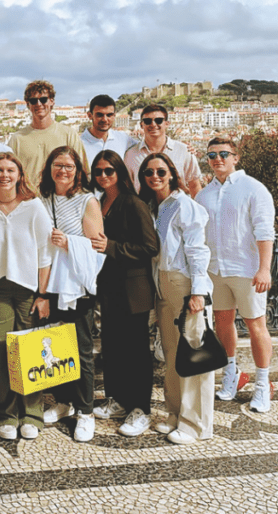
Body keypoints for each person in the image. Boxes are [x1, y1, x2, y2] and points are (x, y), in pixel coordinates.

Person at [0, 152, 53, 441]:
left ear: (19, 175)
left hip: (28, 287)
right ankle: (5, 413)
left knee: (29, 350)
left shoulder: (33, 206)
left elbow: (46, 252)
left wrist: (43, 293)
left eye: (10, 170)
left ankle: (31, 413)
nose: (5, 175)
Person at [195, 136, 276, 412]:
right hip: (215, 271)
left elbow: (265, 232)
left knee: (256, 326)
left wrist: (264, 268)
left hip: (247, 270)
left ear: (236, 157)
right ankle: (232, 373)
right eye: (212, 155)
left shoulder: (254, 188)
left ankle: (263, 384)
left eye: (223, 154)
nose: (217, 159)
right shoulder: (203, 195)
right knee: (222, 323)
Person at [138, 153, 214, 445]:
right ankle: (175, 414)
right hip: (163, 285)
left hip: (184, 284)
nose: (154, 177)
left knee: (194, 356)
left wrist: (198, 291)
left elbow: (197, 250)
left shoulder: (185, 206)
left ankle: (196, 425)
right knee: (171, 355)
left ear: (171, 172)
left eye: (160, 171)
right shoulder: (155, 207)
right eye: (148, 173)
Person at [88, 150, 160, 438]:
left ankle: (140, 408)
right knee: (113, 346)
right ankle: (117, 400)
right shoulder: (101, 202)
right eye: (98, 172)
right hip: (110, 286)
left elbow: (149, 247)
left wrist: (112, 247)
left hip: (133, 288)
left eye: (109, 171)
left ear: (119, 172)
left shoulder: (133, 203)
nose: (103, 176)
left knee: (136, 351)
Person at [36, 146, 104, 442]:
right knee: (57, 346)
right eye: (57, 164)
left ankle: (85, 411)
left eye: (69, 166)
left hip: (76, 285)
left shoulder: (87, 201)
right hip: (49, 282)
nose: (63, 170)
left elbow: (97, 246)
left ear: (78, 170)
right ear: (49, 168)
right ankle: (64, 403)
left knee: (81, 350)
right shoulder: (42, 199)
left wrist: (68, 243)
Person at [7, 80, 86, 188]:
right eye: (33, 101)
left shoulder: (69, 135)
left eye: (43, 99)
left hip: (62, 200)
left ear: (52, 102)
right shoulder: (17, 139)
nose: (39, 104)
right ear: (28, 105)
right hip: (29, 201)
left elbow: (82, 171)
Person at [124, 105, 202, 198]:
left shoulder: (184, 151)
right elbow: (127, 189)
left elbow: (195, 185)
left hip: (177, 209)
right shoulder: (131, 155)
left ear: (167, 123)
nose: (153, 124)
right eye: (148, 121)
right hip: (144, 210)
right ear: (141, 125)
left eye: (158, 120)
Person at [80, 95, 138, 167]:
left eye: (109, 115)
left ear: (114, 116)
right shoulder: (79, 143)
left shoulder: (124, 138)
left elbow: (146, 147)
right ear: (90, 115)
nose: (104, 119)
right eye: (100, 115)